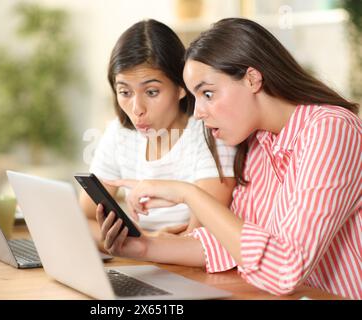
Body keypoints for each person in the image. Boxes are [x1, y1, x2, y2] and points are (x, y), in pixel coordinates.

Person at [97, 18, 362, 300]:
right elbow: (231, 245)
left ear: (252, 79)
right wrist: (143, 247)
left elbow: (285, 267)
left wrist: (188, 194)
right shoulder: (260, 142)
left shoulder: (331, 128)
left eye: (208, 93)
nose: (198, 112)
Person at [80, 19, 236, 246]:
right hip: (142, 262)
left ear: (182, 87)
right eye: (125, 91)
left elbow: (198, 240)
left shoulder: (210, 134)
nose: (137, 109)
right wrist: (149, 240)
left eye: (151, 92)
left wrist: (134, 241)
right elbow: (84, 218)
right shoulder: (118, 134)